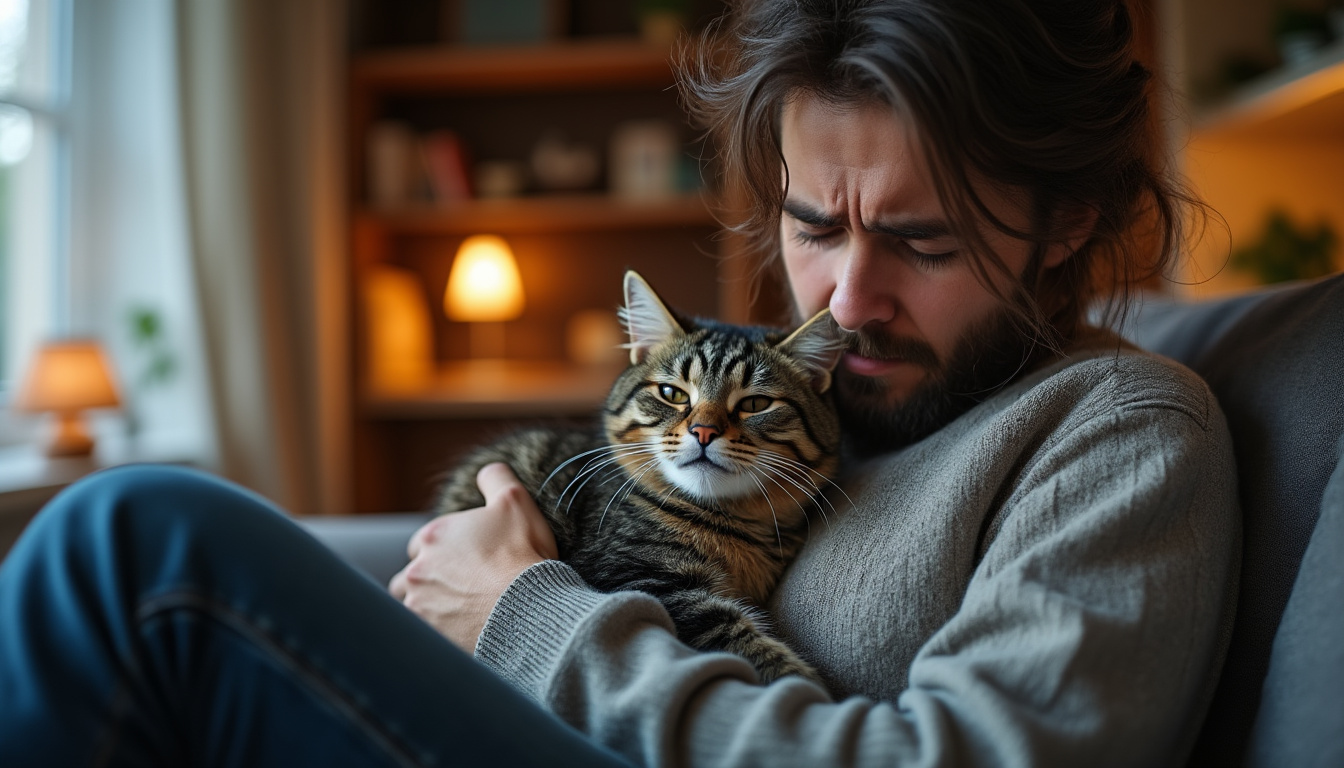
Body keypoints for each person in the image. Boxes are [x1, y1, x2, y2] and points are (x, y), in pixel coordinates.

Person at [0, 1, 1239, 766]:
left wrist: (525, 612)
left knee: (132, 545)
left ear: (1067, 223)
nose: (845, 301)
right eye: (814, 226)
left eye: (923, 242)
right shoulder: (839, 389)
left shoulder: (1118, 434)